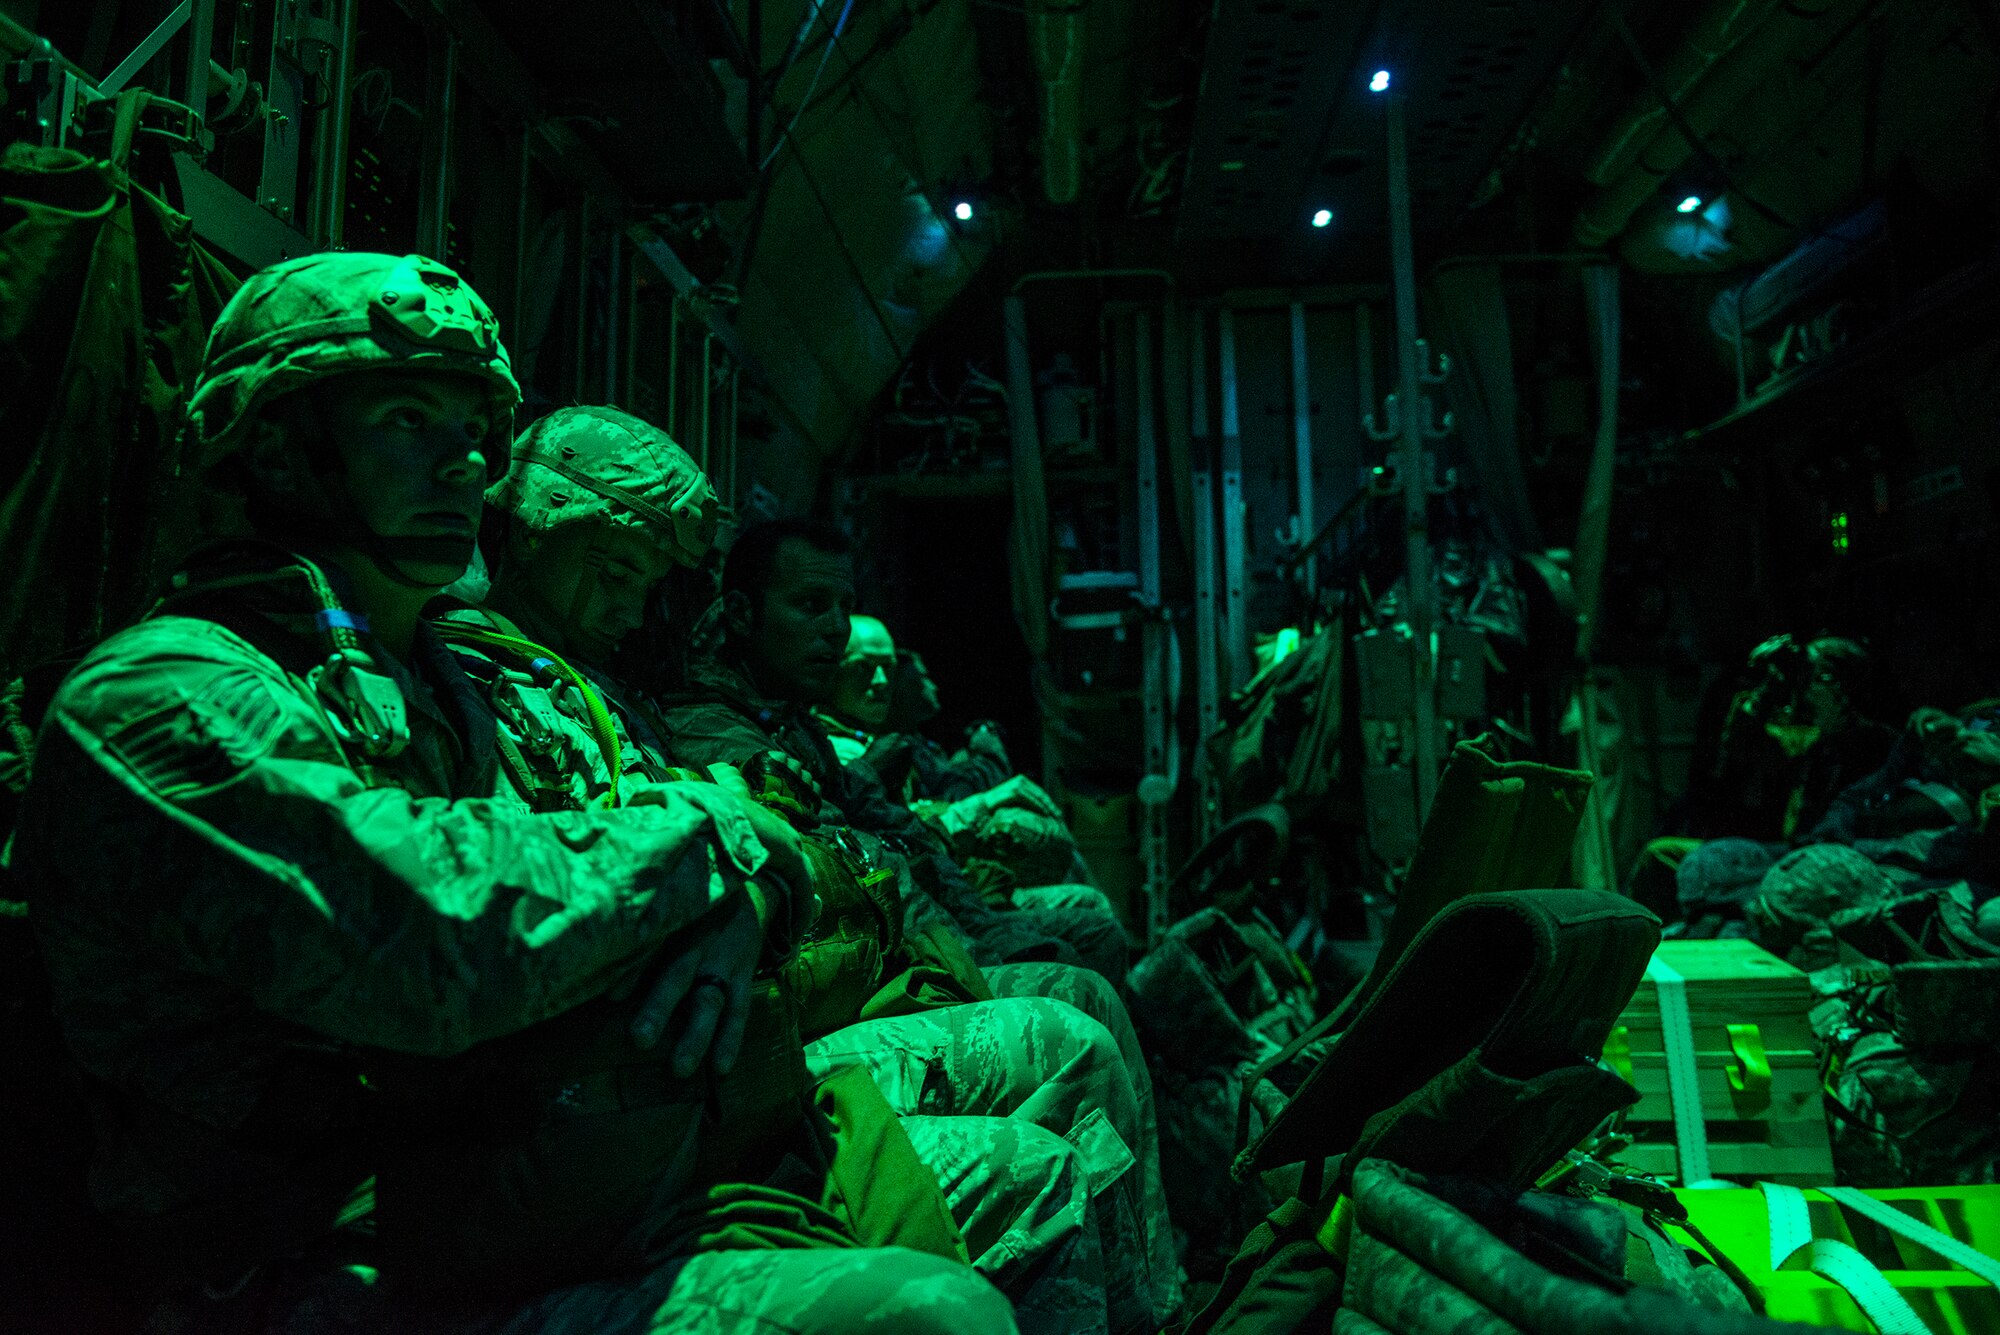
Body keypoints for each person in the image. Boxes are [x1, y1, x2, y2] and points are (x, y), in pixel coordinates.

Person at [10, 253, 1015, 1335]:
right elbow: (434, 938)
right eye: (404, 418)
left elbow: (733, 843)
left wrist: (740, 878)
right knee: (923, 1314)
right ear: (273, 445)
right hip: (305, 1270)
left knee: (1017, 1167)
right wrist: (708, 839)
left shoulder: (445, 684)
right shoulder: (164, 696)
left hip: (508, 1190)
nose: (464, 464)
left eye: (473, 427)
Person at [459, 405, 1135, 1331]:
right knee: (1065, 1053)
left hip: (741, 1043)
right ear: (527, 538)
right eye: (612, 571)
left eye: (645, 581)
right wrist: (773, 878)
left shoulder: (609, 695)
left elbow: (840, 855)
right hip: (670, 1083)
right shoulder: (486, 688)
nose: (629, 606)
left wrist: (788, 879)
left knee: (1072, 1019)